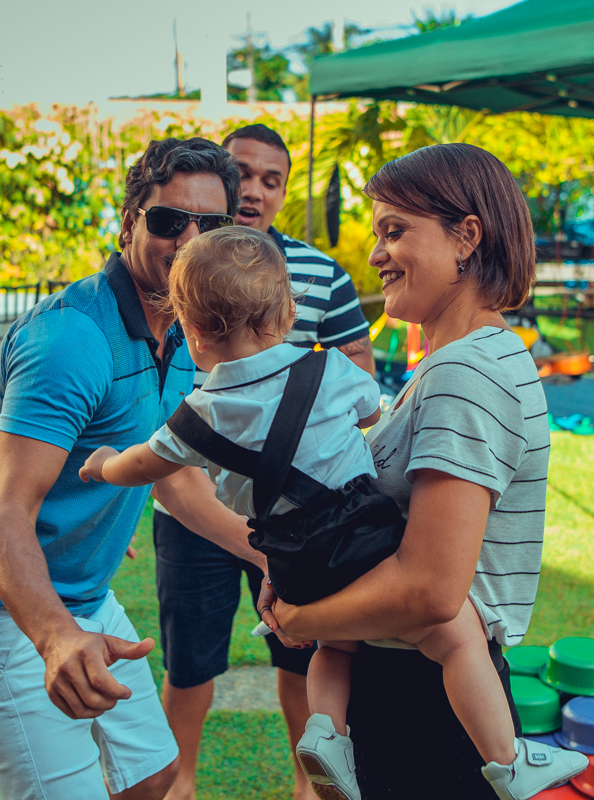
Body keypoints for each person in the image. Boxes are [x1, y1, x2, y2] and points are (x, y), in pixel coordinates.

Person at [81, 225, 586, 800]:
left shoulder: (197, 416)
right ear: (287, 313)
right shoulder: (326, 369)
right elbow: (371, 412)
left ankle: (325, 731)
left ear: (191, 333)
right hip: (362, 535)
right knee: (458, 637)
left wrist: (101, 465)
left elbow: (142, 466)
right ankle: (505, 760)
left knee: (333, 645)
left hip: (288, 557)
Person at [0, 138, 258, 800]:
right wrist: (54, 637)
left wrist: (274, 560)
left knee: (156, 774)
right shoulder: (71, 339)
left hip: (83, 595)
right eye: (169, 221)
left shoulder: (187, 329)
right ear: (129, 221)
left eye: (210, 225)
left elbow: (175, 478)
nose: (190, 240)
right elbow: (4, 514)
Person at [257, 143, 565, 798]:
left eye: (395, 232)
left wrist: (302, 619)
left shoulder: (464, 373)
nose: (374, 256)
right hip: (414, 690)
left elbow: (431, 589)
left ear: (466, 238)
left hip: (425, 706)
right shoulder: (460, 361)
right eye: (378, 234)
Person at [148, 123, 373, 800]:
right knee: (188, 664)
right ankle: (175, 785)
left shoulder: (320, 274)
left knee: (304, 655)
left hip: (296, 519)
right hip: (194, 509)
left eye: (271, 179)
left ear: (283, 191)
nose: (254, 190)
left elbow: (359, 375)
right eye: (241, 173)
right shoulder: (177, 268)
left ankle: (312, 790)